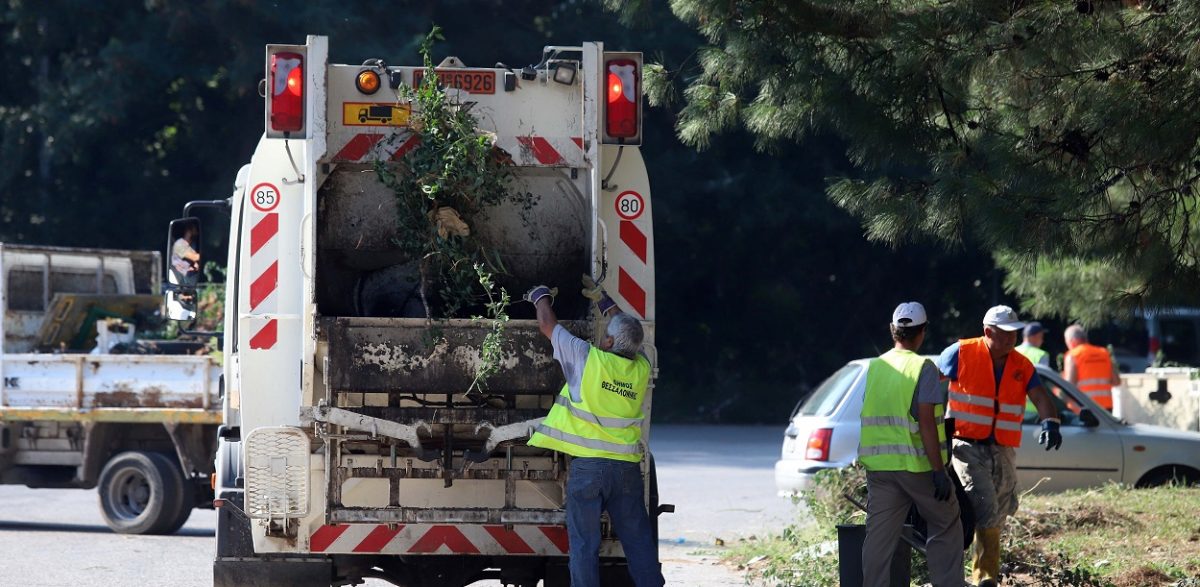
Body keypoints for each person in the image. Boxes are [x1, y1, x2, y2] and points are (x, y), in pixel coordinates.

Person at [524, 278, 665, 587]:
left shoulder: (588, 359)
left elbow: (548, 325)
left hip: (589, 469)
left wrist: (539, 296)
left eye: (607, 336)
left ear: (610, 343)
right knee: (639, 542)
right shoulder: (642, 367)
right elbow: (627, 330)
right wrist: (603, 300)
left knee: (585, 545)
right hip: (626, 471)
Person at [938, 305, 1063, 587]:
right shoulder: (960, 353)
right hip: (966, 446)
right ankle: (986, 578)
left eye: (1014, 334)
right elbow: (930, 387)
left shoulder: (1021, 364)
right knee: (985, 506)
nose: (1011, 339)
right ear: (987, 332)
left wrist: (1051, 423)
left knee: (1003, 509)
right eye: (1004, 334)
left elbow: (1041, 396)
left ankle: (979, 570)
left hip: (1003, 449)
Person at [860, 302, 963, 587]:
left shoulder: (876, 366)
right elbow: (927, 423)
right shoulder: (923, 367)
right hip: (916, 468)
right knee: (946, 522)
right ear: (922, 332)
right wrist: (939, 471)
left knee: (878, 538)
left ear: (893, 332)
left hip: (880, 469)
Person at [1063, 324, 1121, 411]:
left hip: (1083, 408)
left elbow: (1069, 386)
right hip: (1105, 409)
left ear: (1072, 341)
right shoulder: (1104, 353)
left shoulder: (1073, 355)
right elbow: (1116, 381)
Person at [170, 224, 201, 288]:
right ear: (189, 230)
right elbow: (194, 257)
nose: (197, 232)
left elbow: (194, 261)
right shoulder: (179, 244)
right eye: (196, 229)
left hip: (191, 277)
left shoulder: (192, 245)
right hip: (183, 280)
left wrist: (196, 265)